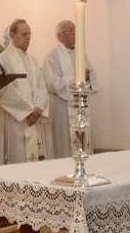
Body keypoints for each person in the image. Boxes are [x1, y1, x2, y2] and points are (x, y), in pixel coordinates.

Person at [0, 19, 52, 163]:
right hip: (16, 119)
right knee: (18, 161)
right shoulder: (3, 59)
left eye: (29, 34)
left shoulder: (33, 60)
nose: (28, 38)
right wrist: (28, 111)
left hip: (34, 118)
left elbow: (42, 87)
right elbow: (4, 90)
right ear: (12, 35)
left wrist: (39, 109)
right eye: (24, 34)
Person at [43, 20, 96, 158]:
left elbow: (91, 75)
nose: (75, 33)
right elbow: (52, 82)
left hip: (81, 106)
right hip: (62, 108)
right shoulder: (53, 56)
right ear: (60, 36)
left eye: (75, 30)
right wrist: (76, 79)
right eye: (70, 30)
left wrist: (87, 76)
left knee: (82, 143)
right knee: (64, 146)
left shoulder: (81, 53)